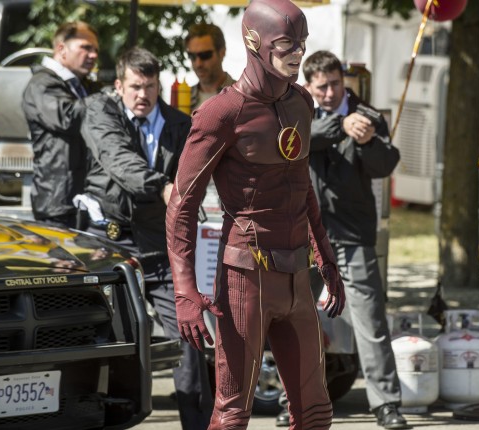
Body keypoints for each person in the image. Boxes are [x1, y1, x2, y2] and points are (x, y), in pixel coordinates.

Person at [166, 0, 346, 428]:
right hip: (246, 276)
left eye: (302, 42)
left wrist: (326, 258)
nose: (298, 53)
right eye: (286, 43)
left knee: (316, 413)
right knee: (232, 414)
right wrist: (185, 291)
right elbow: (182, 205)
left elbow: (303, 188)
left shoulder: (301, 101)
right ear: (253, 41)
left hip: (297, 274)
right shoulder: (221, 112)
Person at [79, 47, 213, 429]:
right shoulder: (100, 112)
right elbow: (119, 161)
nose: (142, 95)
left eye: (150, 86)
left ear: (159, 86)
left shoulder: (179, 124)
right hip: (110, 246)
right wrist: (164, 188)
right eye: (135, 86)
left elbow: (198, 174)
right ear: (119, 86)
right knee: (105, 342)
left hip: (160, 246)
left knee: (189, 337)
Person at [290, 50, 407, 430]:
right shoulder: (296, 112)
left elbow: (386, 164)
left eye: (335, 84)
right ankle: (294, 401)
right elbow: (300, 141)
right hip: (303, 234)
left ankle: (386, 403)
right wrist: (342, 124)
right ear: (308, 86)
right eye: (321, 87)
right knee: (294, 320)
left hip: (351, 233)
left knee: (370, 320)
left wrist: (369, 140)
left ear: (344, 81)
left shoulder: (368, 115)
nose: (329, 93)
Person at [22, 21, 99, 228]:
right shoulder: (41, 84)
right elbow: (68, 118)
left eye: (96, 50)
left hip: (84, 200)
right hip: (57, 202)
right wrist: (105, 99)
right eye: (86, 47)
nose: (93, 55)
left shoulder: (83, 85)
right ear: (61, 49)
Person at [184, 22, 236, 111]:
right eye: (192, 56)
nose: (198, 64)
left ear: (222, 52)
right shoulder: (182, 98)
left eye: (205, 55)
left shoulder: (244, 96)